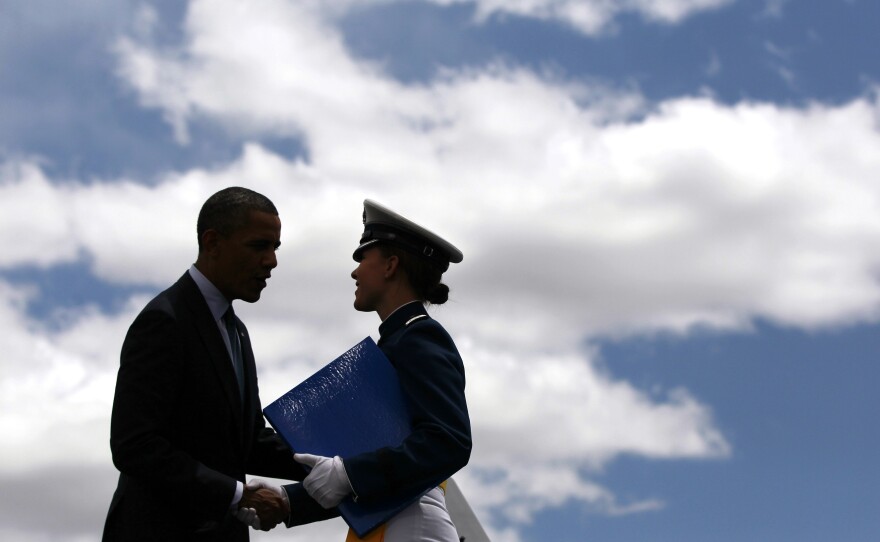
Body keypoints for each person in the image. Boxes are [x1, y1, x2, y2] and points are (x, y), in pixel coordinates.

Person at [246, 199, 472, 541]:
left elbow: (448, 441)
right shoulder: (400, 339)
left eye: (363, 258)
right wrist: (289, 500)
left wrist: (348, 474)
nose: (355, 272)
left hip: (411, 526)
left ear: (390, 266)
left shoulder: (419, 337)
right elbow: (379, 468)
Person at [103, 187, 306, 541]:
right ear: (212, 243)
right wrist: (238, 495)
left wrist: (341, 465)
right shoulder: (165, 321)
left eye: (275, 247)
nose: (272, 261)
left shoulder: (236, 331)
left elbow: (247, 442)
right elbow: (134, 445)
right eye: (259, 246)